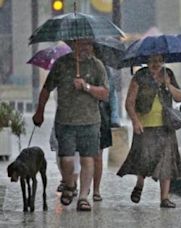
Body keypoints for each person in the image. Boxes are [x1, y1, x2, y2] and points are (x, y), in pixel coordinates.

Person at [33, 39, 109, 211]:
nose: (86, 48)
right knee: (66, 159)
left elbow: (104, 94)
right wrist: (39, 111)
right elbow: (46, 89)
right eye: (82, 44)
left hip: (90, 121)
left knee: (87, 158)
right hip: (65, 121)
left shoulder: (97, 66)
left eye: (89, 45)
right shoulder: (61, 64)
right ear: (74, 45)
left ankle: (83, 197)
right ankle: (69, 184)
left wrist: (87, 86)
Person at [117, 54, 181, 208]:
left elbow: (180, 98)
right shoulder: (140, 76)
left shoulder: (168, 74)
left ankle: (164, 198)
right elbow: (129, 103)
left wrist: (169, 84)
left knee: (166, 161)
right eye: (153, 61)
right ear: (147, 61)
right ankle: (140, 184)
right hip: (144, 125)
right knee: (144, 159)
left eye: (160, 60)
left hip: (166, 125)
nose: (156, 64)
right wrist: (135, 121)